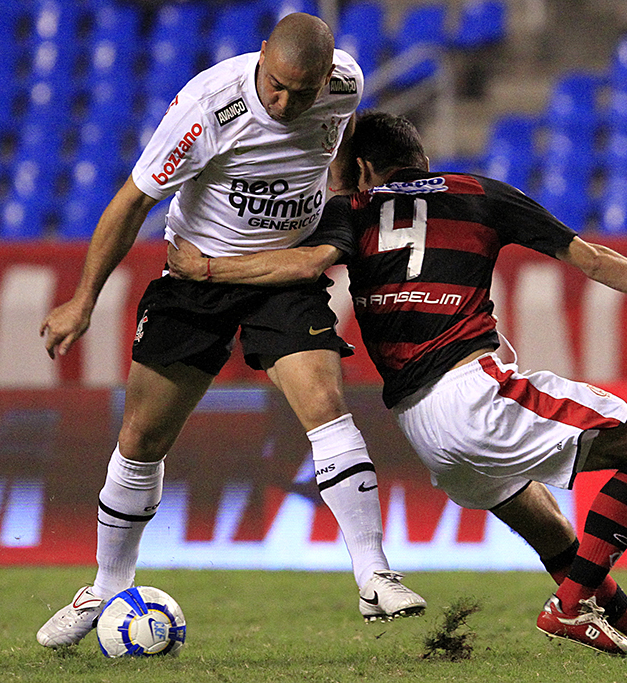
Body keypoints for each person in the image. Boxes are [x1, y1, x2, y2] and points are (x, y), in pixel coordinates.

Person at [165, 110, 627, 656]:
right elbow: (593, 260)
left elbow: (297, 264)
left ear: (366, 168)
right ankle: (570, 607)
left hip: (420, 425)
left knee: (553, 531)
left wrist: (204, 265)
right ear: (421, 161)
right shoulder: (479, 194)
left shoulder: (350, 209)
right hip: (472, 389)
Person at [35, 16, 425, 649]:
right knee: (141, 436)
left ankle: (374, 573)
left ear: (326, 77)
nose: (284, 103)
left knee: (324, 403)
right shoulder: (207, 107)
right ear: (261, 55)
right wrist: (82, 301)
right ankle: (106, 587)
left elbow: (341, 134)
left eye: (302, 93)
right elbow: (131, 201)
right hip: (196, 275)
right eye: (275, 86)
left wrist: (338, 191)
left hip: (282, 276)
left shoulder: (347, 83)